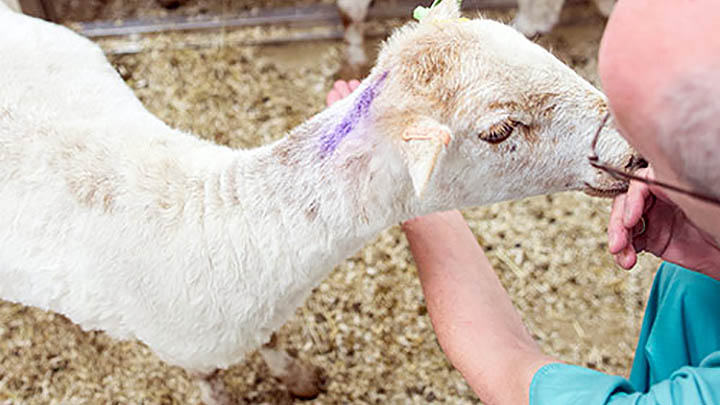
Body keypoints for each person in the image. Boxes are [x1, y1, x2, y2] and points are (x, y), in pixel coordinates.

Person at [328, 0, 720, 403]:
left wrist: (406, 191)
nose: (640, 171)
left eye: (655, 154)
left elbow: (507, 368)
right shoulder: (698, 242)